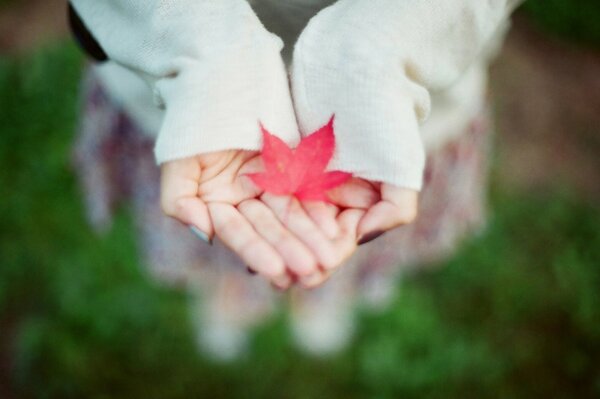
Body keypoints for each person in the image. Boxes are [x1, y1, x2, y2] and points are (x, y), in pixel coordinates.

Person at [69, 0, 522, 359]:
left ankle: (321, 297)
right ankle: (231, 297)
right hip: (190, 106)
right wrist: (196, 42)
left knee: (331, 235)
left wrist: (382, 42)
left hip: (393, 116)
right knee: (220, 221)